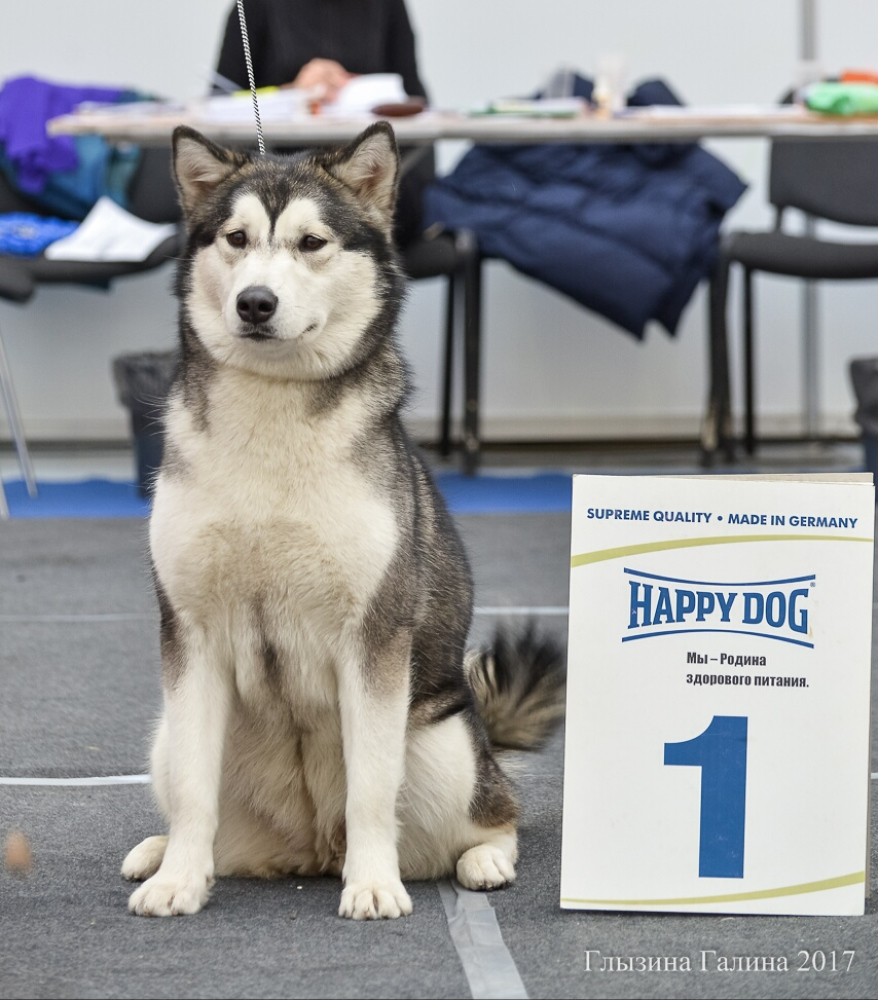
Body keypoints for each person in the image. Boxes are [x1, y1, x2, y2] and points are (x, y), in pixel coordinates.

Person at [215, 0, 434, 247]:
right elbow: (220, 100)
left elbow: (415, 98)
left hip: (366, 176)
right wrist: (291, 92)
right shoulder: (254, 6)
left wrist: (362, 87)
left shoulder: (388, 5)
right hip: (276, 172)